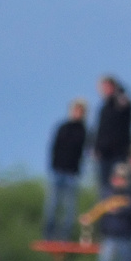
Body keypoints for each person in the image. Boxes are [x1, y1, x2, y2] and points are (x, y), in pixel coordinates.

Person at [43, 101, 88, 242]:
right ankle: (49, 235)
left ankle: (64, 237)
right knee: (52, 205)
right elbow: (54, 147)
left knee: (69, 209)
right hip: (58, 171)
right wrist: (53, 165)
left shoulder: (83, 131)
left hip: (72, 174)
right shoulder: (62, 127)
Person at [93, 78, 131, 193]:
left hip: (119, 152)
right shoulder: (104, 107)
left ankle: (121, 210)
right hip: (104, 153)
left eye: (107, 87)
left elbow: (126, 106)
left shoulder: (121, 101)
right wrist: (97, 147)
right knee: (104, 186)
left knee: (120, 183)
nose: (105, 90)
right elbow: (100, 130)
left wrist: (120, 92)